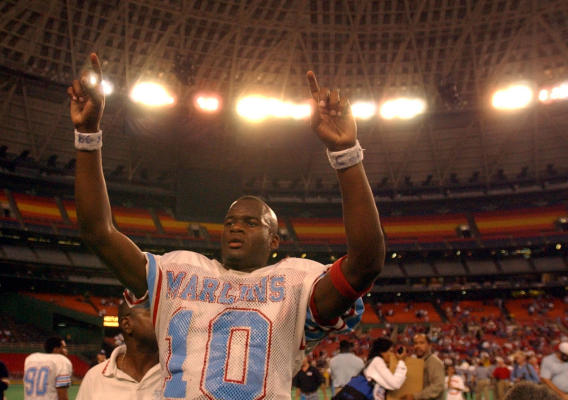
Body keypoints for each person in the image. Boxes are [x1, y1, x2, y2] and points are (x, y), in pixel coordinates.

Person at [68, 54, 385, 398]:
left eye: (251, 223)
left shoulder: (296, 283)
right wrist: (88, 134)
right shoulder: (176, 271)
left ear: (274, 240)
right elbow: (98, 232)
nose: (236, 228)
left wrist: (345, 152)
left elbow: (365, 263)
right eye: (230, 222)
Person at [76, 295, 161, 400]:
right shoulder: (95, 378)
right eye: (152, 312)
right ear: (126, 324)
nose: (161, 318)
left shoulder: (179, 373)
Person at [401, 334, 445, 400]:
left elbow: (438, 386)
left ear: (429, 345)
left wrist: (415, 396)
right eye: (415, 343)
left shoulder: (434, 362)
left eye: (422, 343)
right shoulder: (417, 362)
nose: (418, 346)